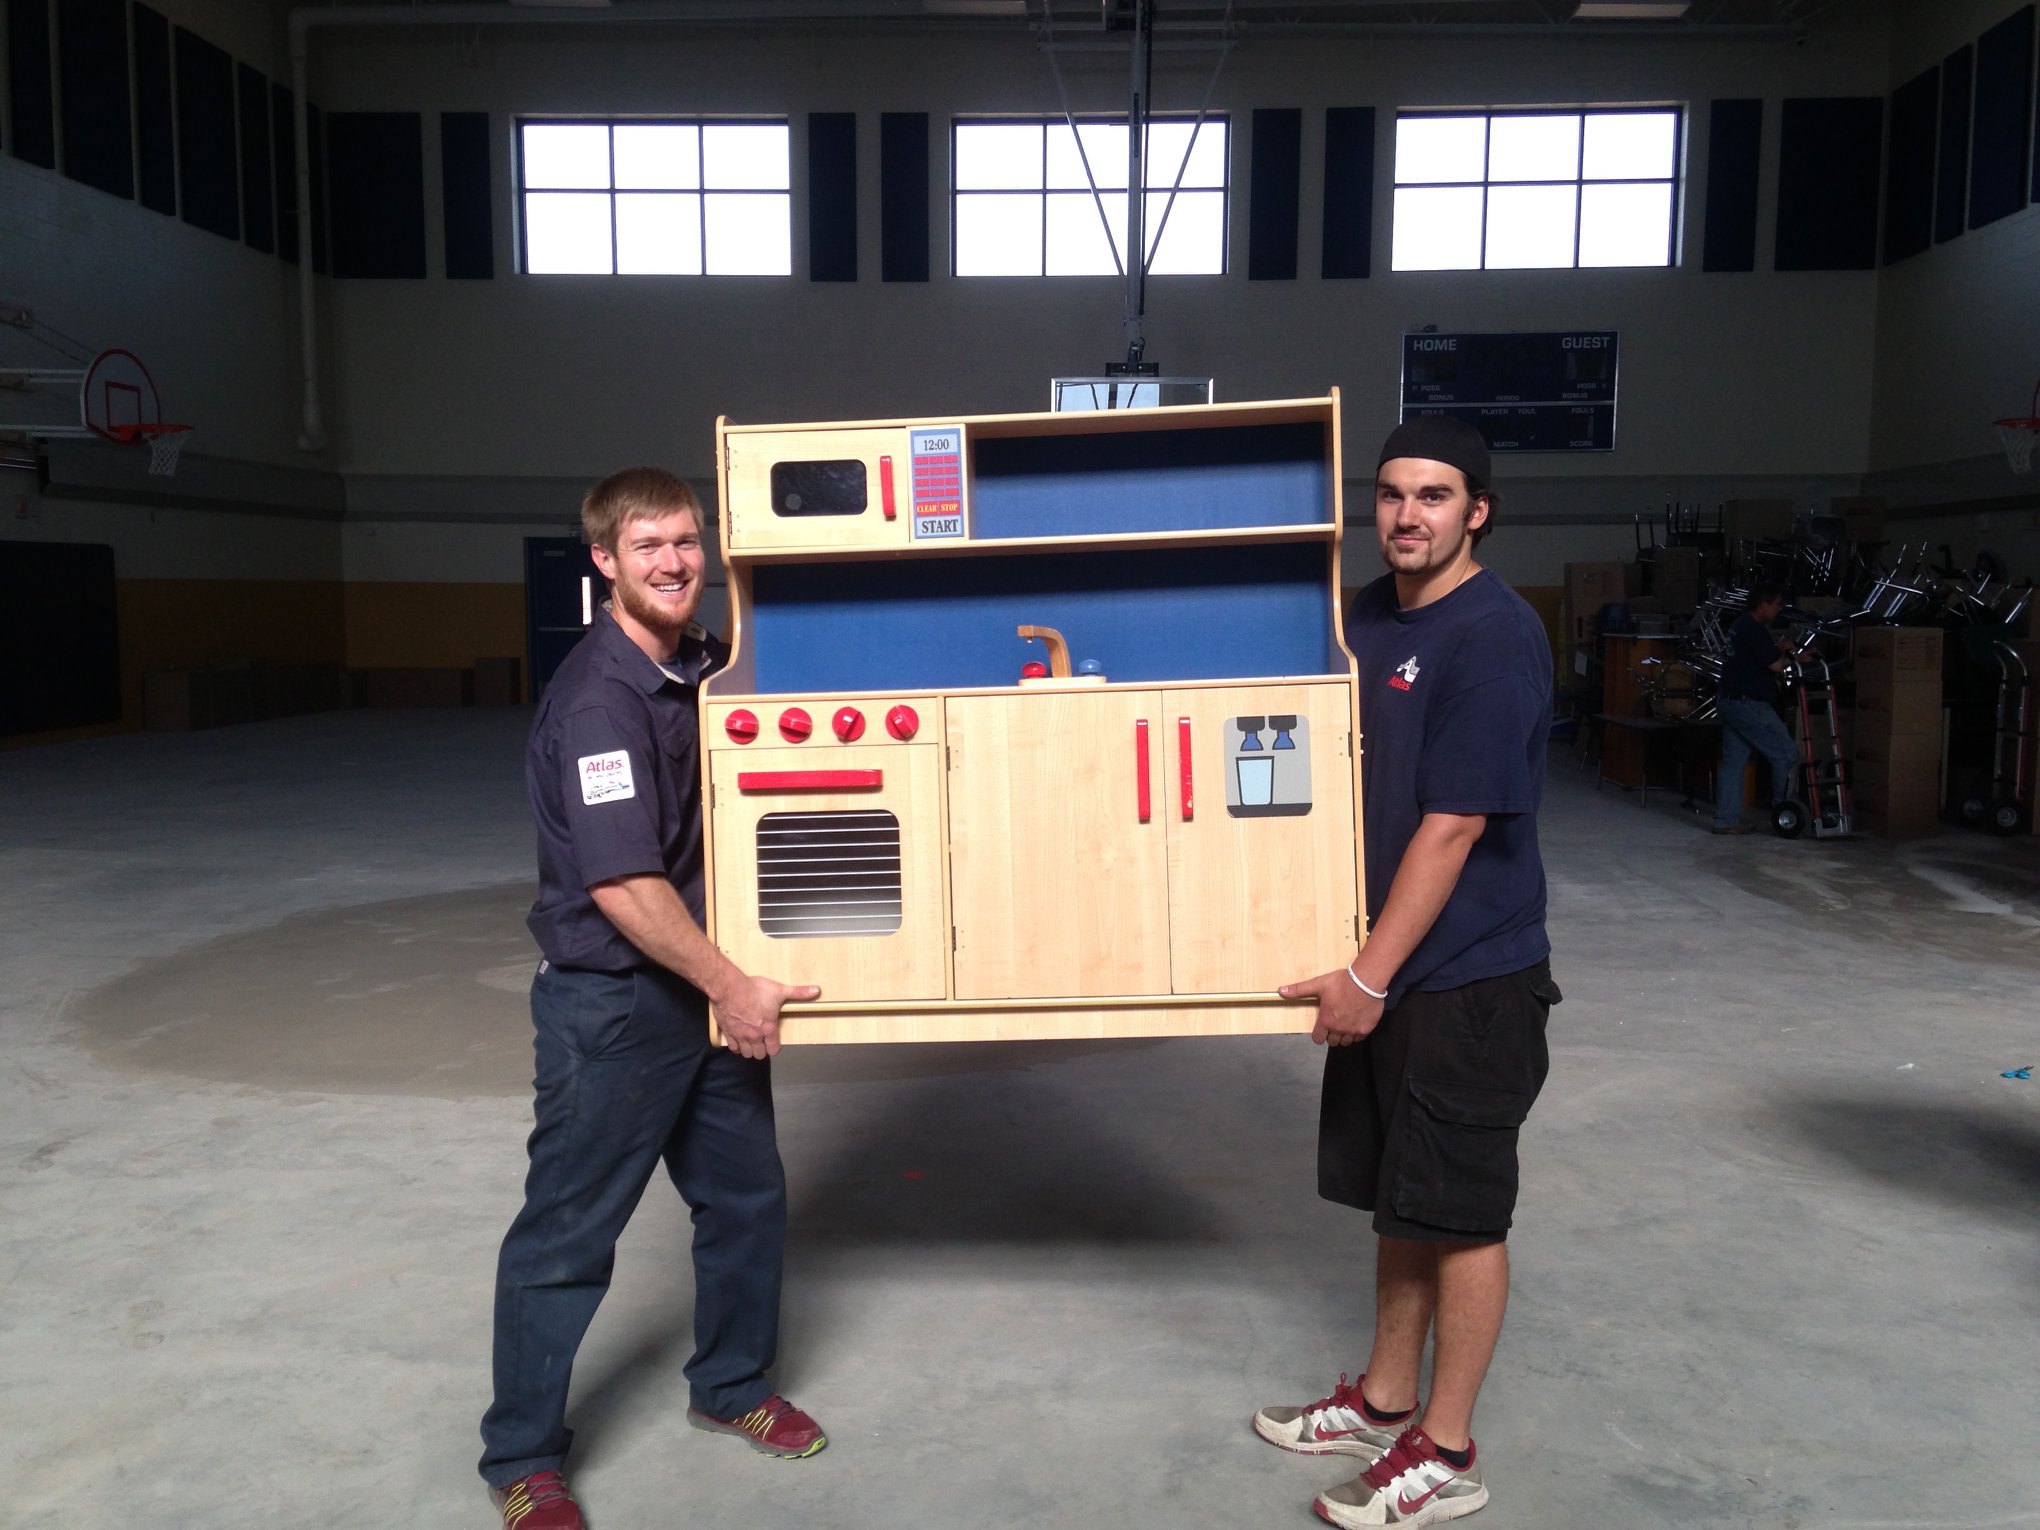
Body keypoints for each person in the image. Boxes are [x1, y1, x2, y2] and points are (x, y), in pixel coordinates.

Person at [479, 468, 827, 1530]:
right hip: (619, 1007)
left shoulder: (699, 667)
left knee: (745, 1202)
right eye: (647, 547)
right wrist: (736, 987)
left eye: (685, 541)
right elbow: (625, 886)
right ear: (604, 562)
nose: (674, 563)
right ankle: (521, 1458)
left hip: (702, 990)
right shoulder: (601, 702)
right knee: (567, 1237)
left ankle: (729, 1385)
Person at [1254, 416, 1559, 1529]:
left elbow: (1454, 826)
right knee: (1405, 1198)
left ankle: (1449, 1449)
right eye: (1390, 494)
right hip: (1387, 962)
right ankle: (1385, 1403)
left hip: (1465, 977)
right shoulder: (1370, 616)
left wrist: (1369, 978)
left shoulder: (1494, 634)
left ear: (1477, 511)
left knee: (1463, 1212)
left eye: (1434, 495)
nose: (1407, 515)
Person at [1711, 584, 1800, 835]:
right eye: (1776, 604)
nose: (1779, 609)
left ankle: (1725, 821)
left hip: (1730, 701)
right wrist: (1788, 651)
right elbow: (1776, 666)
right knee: (1786, 754)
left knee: (1734, 762)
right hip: (1748, 704)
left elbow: (1758, 658)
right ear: (1763, 605)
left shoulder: (1740, 625)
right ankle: (1785, 815)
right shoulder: (1754, 629)